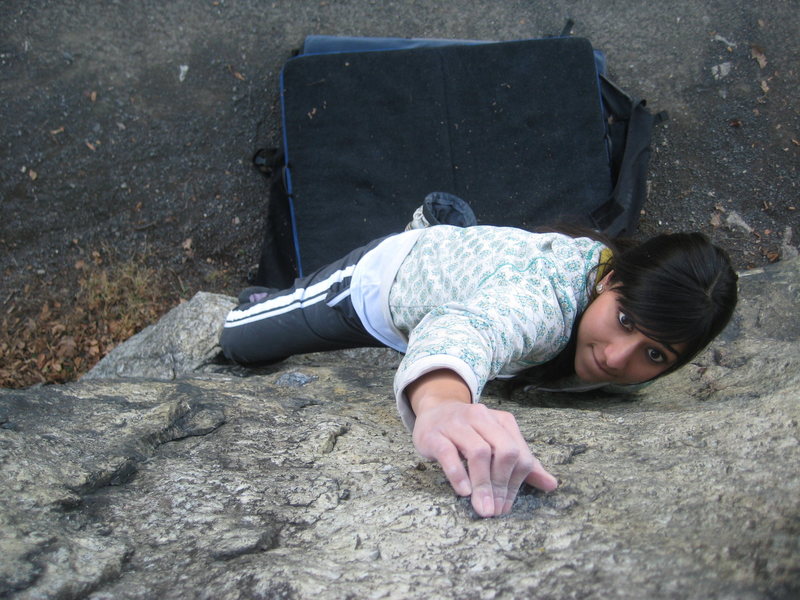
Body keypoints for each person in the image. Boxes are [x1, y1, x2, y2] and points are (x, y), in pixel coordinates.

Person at [220, 219, 738, 518]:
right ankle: (268, 298)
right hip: (380, 285)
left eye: (655, 355)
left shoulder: (597, 295)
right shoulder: (542, 302)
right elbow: (469, 327)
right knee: (241, 339)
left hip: (467, 270)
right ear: (607, 281)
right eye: (625, 320)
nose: (616, 358)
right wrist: (443, 406)